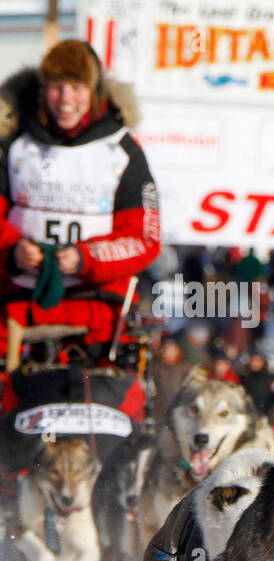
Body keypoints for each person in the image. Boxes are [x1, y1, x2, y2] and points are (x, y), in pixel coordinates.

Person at [0, 40, 160, 361]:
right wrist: (13, 250)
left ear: (95, 91)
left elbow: (144, 238)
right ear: (43, 90)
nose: (66, 99)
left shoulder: (123, 151)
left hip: (99, 315)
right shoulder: (14, 144)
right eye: (57, 87)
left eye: (77, 87)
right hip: (17, 310)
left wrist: (86, 257)